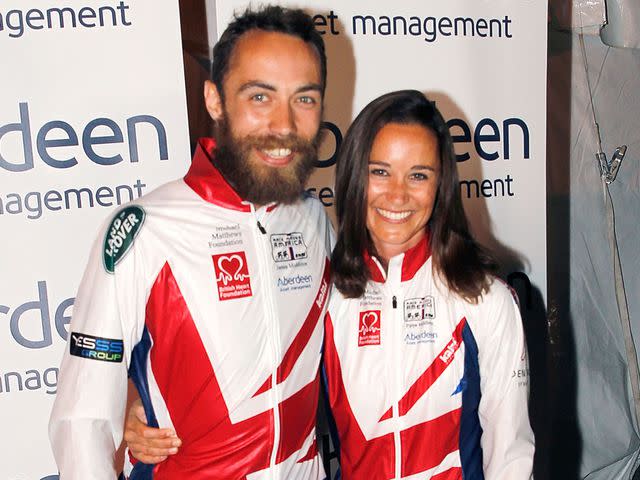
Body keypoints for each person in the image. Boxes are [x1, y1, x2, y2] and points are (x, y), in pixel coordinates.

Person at [126, 90, 535, 479]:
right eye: (380, 172)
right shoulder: (327, 294)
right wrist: (132, 398)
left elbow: (511, 453)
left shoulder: (485, 300)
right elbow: (241, 354)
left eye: (418, 175)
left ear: (441, 185)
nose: (397, 195)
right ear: (356, 176)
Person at [49, 6, 334, 479]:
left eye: (304, 99)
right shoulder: (143, 230)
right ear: (215, 99)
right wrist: (126, 400)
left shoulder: (313, 220)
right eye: (260, 96)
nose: (284, 125)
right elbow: (84, 417)